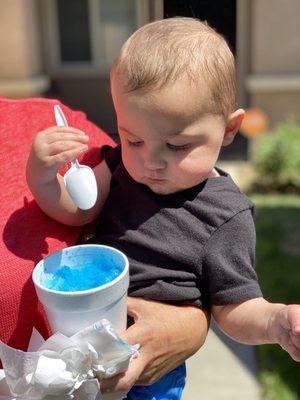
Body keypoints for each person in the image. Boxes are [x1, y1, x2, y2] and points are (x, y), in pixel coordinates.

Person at [26, 17, 300, 399]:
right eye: (134, 138)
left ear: (229, 129)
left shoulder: (225, 215)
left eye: (176, 146)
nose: (150, 161)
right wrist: (42, 176)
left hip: (149, 370)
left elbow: (234, 309)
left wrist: (275, 321)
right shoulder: (121, 164)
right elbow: (77, 209)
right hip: (77, 345)